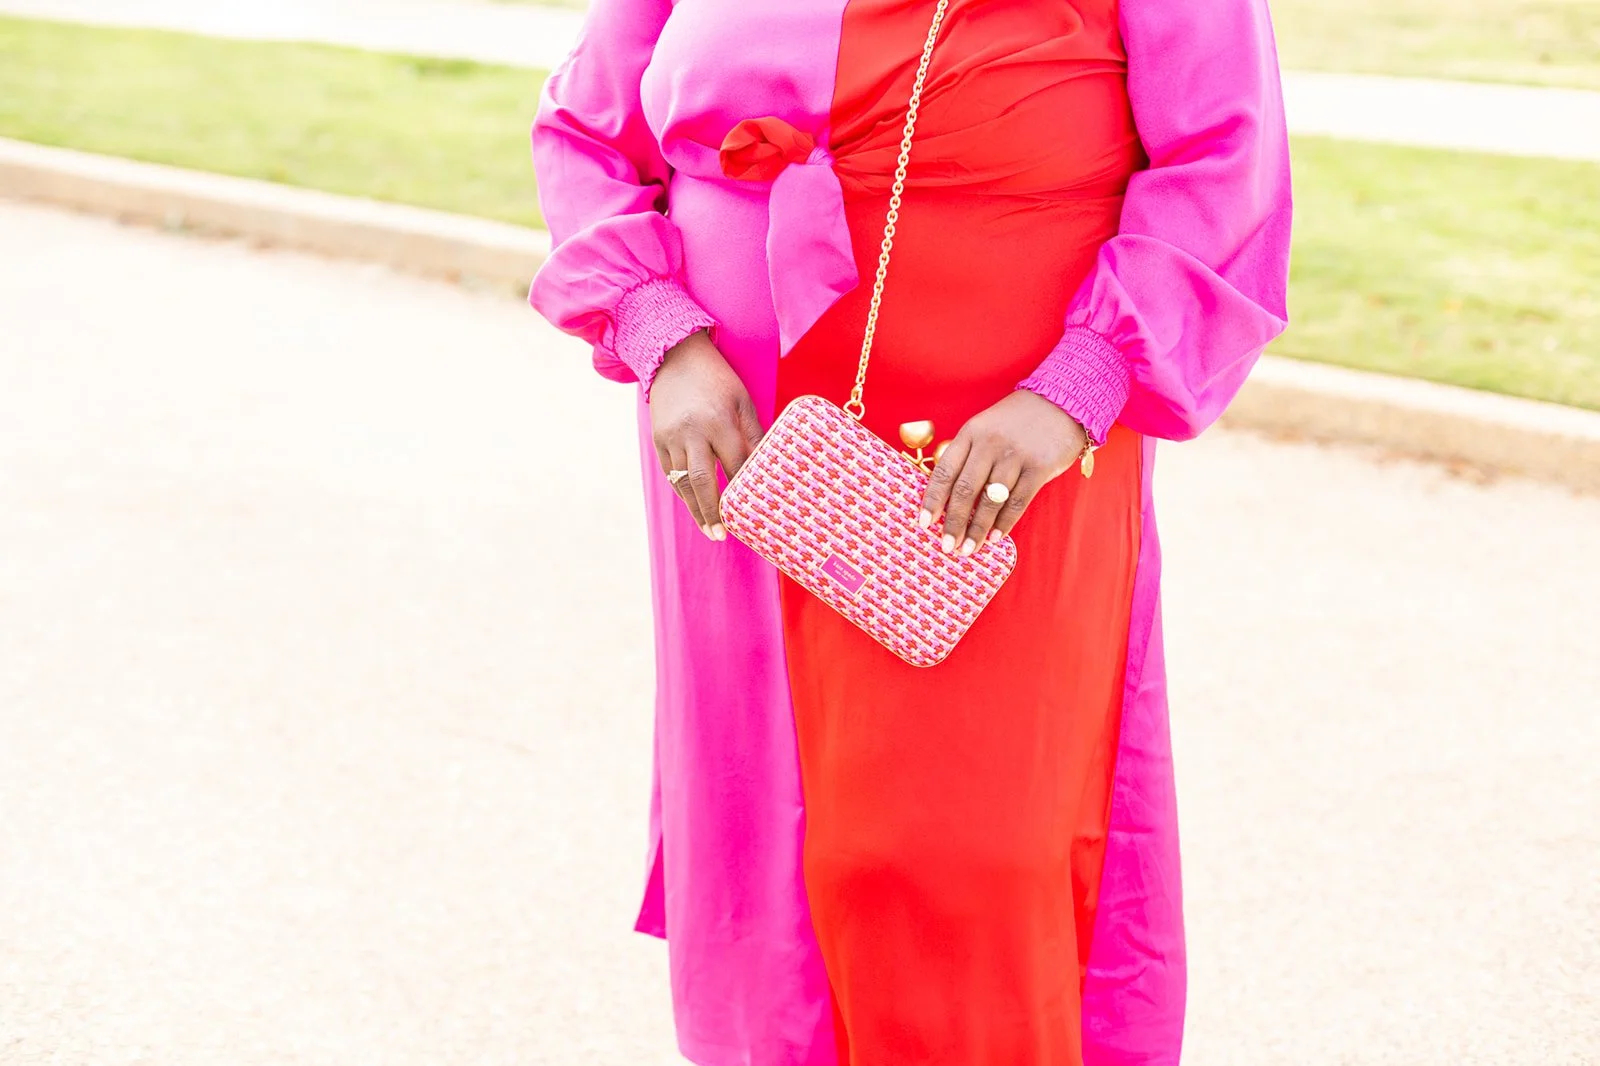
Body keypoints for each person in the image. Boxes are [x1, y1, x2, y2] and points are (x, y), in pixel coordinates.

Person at [529, 0, 1291, 1062]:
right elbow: (583, 130)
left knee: (972, 834)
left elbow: (1224, 159)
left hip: (1011, 453)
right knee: (776, 829)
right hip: (742, 446)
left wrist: (1081, 382)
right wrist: (659, 331)